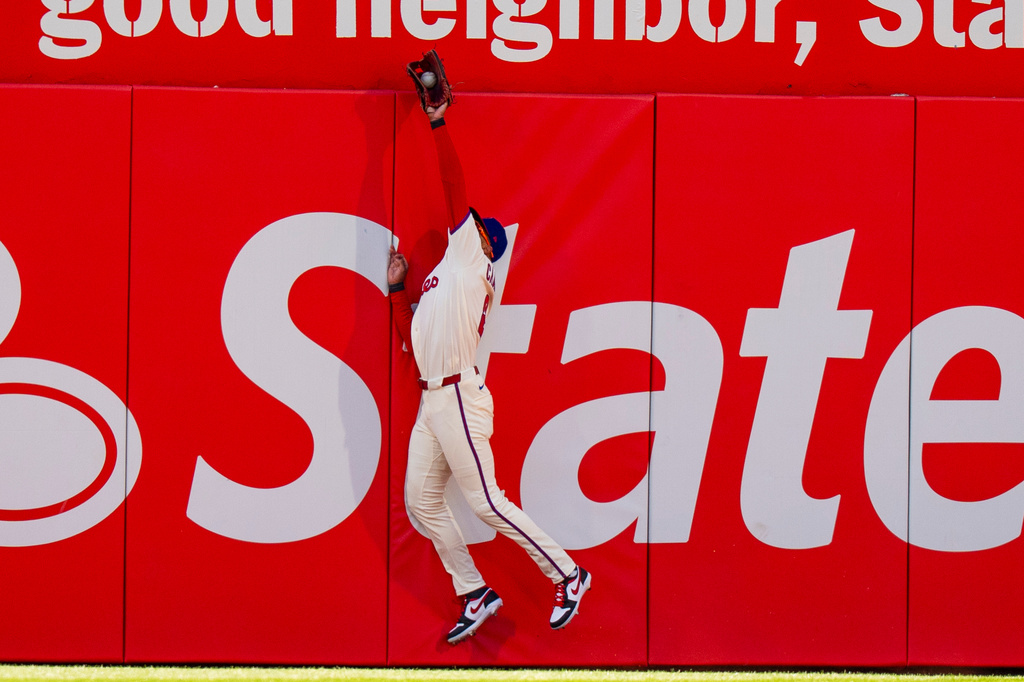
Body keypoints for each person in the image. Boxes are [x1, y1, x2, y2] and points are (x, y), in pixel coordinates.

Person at [387, 100, 592, 645]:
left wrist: (437, 120)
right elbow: (411, 340)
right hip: (433, 398)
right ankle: (475, 592)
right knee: (420, 503)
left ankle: (569, 573)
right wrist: (395, 292)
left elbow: (453, 184)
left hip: (457, 394)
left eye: (476, 228)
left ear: (484, 246)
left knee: (485, 501)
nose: (467, 224)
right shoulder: (440, 281)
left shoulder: (469, 260)